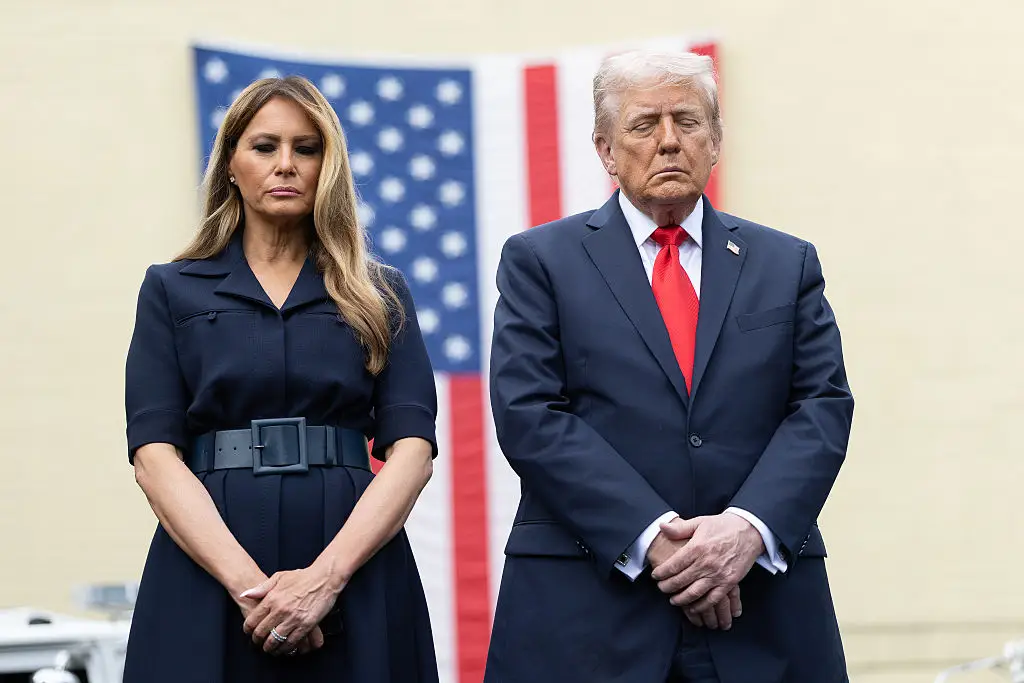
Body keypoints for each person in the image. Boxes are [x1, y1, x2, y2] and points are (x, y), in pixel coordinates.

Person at [485, 50, 854, 683]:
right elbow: (530, 415)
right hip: (588, 612)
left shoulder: (784, 263)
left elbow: (821, 407)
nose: (668, 141)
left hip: (759, 613)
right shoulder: (540, 261)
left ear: (716, 140)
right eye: (643, 124)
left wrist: (745, 531)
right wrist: (654, 539)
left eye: (687, 121)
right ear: (605, 149)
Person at [122, 75, 439, 682]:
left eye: (307, 147)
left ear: (330, 165)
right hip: (207, 568)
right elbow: (153, 457)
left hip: (355, 568)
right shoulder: (170, 288)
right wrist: (253, 593)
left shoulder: (381, 293)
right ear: (231, 165)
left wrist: (324, 581)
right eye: (265, 147)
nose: (286, 164)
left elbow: (413, 452)